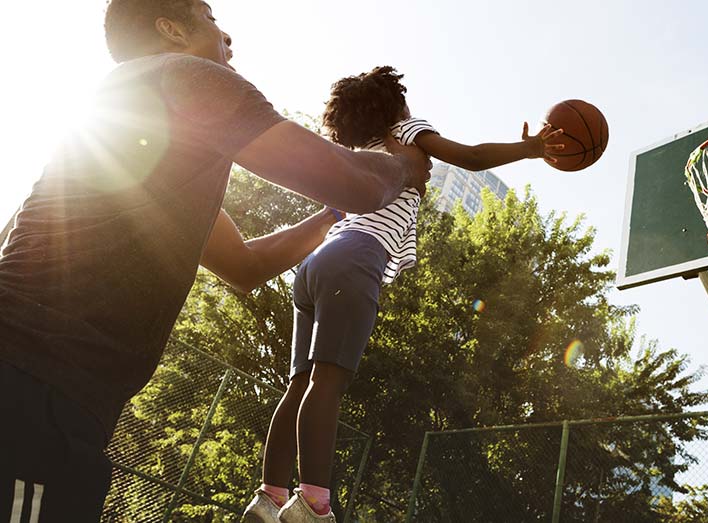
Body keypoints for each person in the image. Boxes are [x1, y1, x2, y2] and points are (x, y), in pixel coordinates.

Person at [0, 1, 431, 520]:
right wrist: (402, 163)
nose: (227, 37)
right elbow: (358, 183)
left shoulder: (157, 144)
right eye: (209, 18)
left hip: (56, 392)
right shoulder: (184, 73)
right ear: (171, 30)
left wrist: (328, 216)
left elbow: (245, 265)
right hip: (34, 380)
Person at [242, 66, 563, 523]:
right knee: (327, 384)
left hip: (316, 264)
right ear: (395, 107)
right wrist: (528, 150)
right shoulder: (407, 133)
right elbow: (470, 156)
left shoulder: (364, 150)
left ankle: (270, 497)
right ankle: (313, 505)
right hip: (357, 258)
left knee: (298, 386)